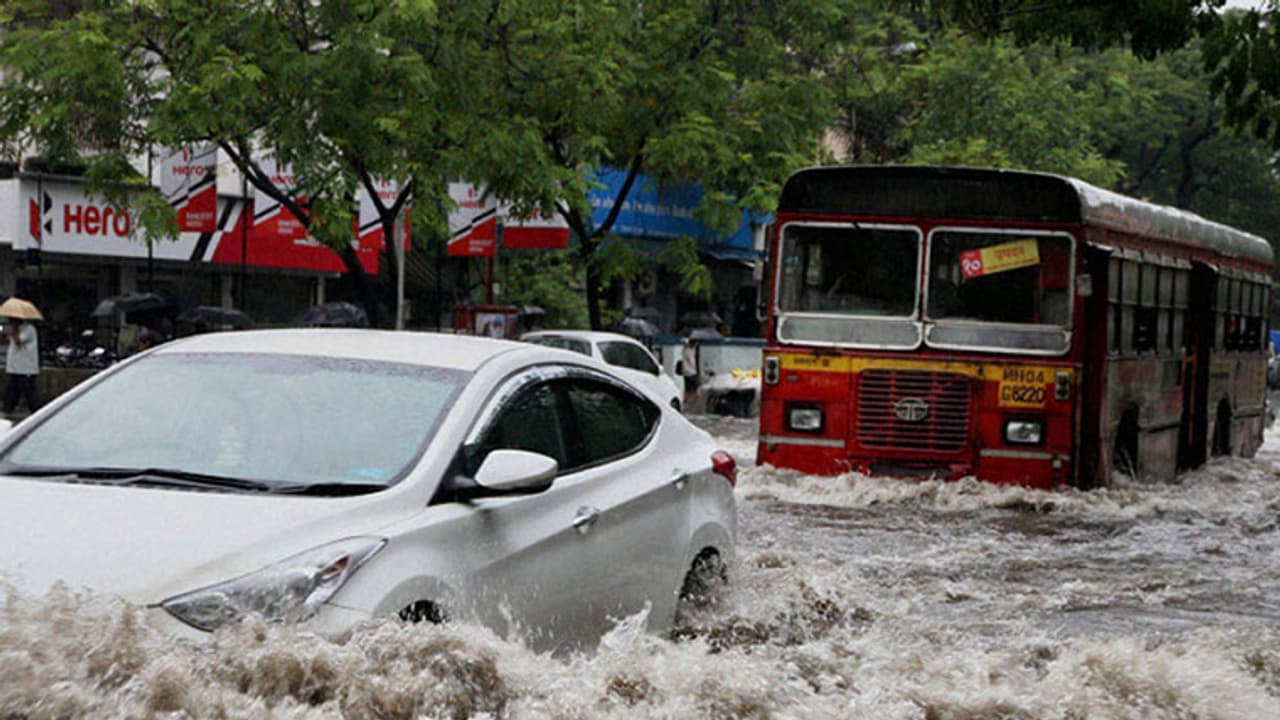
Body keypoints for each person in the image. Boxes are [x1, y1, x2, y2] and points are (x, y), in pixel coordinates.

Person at [4, 317, 39, 416]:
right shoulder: (17, 329)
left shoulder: (29, 329)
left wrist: (14, 329)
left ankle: (36, 411)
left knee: (29, 391)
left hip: (26, 368)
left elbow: (18, 341)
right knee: (12, 390)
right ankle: (8, 409)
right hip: (14, 368)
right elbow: (9, 341)